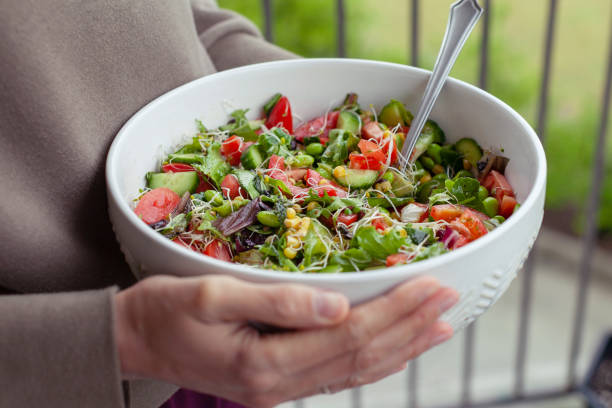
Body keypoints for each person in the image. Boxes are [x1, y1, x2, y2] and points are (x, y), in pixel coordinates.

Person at [0, 1, 459, 407]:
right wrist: (119, 338)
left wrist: (320, 106)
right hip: (77, 376)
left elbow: (192, 20)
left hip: (230, 347)